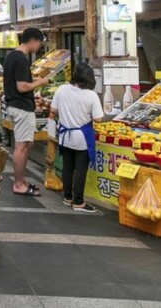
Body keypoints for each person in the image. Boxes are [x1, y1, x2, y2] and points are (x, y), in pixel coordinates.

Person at [50, 64, 102, 213]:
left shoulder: (62, 89)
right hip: (82, 138)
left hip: (65, 136)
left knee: (67, 167)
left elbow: (53, 110)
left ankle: (67, 197)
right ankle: (78, 201)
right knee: (80, 170)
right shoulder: (91, 95)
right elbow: (98, 119)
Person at [3, 27, 48, 197]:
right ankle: (19, 184)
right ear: (33, 40)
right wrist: (40, 82)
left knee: (27, 144)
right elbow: (22, 87)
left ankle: (21, 180)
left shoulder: (10, 56)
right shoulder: (21, 59)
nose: (39, 47)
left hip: (16, 105)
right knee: (22, 147)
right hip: (21, 107)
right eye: (39, 43)